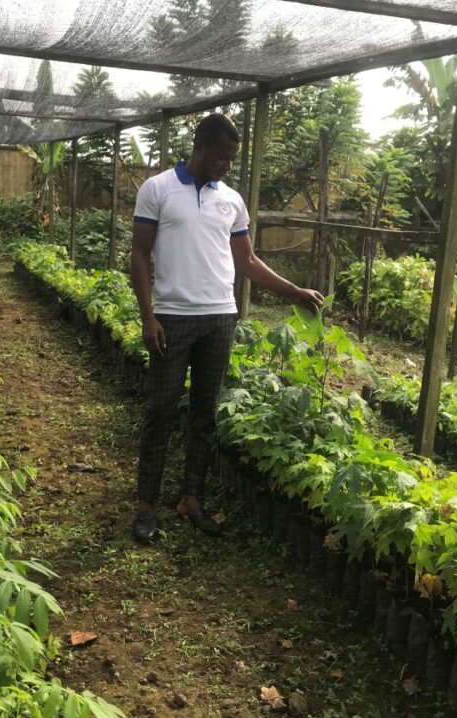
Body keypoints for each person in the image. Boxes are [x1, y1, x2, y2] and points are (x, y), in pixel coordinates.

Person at [129, 112, 324, 543]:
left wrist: (294, 292)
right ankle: (147, 505)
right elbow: (140, 255)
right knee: (160, 412)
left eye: (231, 158)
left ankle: (190, 499)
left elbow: (248, 262)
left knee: (203, 414)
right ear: (198, 147)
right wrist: (148, 316)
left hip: (220, 317)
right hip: (172, 318)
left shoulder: (231, 200)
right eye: (221, 156)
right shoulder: (158, 189)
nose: (226, 165)